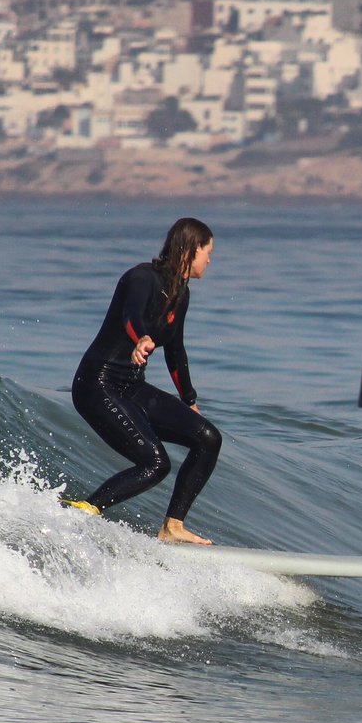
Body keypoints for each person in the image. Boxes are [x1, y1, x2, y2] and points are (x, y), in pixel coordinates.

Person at [64, 216, 222, 545]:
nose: (210, 259)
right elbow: (131, 316)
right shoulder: (141, 278)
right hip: (98, 384)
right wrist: (140, 339)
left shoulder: (182, 293)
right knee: (155, 462)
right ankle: (83, 510)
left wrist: (189, 401)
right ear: (192, 250)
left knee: (207, 438)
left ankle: (172, 527)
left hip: (131, 387)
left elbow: (175, 350)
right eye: (208, 252)